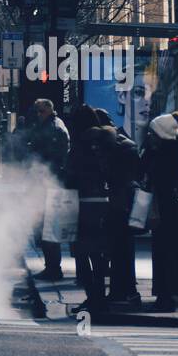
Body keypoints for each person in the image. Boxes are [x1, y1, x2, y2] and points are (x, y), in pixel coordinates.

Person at [91, 123, 143, 308]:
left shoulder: (117, 151)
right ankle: (125, 291)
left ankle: (122, 291)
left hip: (120, 205)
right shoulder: (125, 146)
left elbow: (116, 177)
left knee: (119, 250)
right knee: (123, 251)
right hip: (123, 204)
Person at [66, 105, 110, 313]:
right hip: (103, 201)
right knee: (99, 253)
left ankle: (92, 296)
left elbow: (73, 174)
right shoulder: (106, 140)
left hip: (84, 201)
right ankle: (100, 295)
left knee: (82, 252)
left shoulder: (81, 144)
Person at [141, 111, 178, 312]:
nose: (149, 136)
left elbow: (155, 177)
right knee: (162, 251)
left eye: (152, 133)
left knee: (165, 252)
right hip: (164, 208)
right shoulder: (165, 150)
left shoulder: (166, 154)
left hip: (165, 208)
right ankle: (164, 295)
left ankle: (166, 297)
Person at [26, 98, 70, 281]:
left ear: (49, 110)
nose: (38, 115)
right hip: (45, 182)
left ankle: (53, 268)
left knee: (49, 227)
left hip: (50, 184)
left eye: (40, 111)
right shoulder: (49, 126)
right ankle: (51, 266)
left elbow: (53, 158)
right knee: (45, 228)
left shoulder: (54, 128)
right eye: (36, 111)